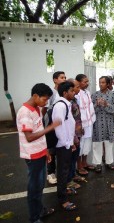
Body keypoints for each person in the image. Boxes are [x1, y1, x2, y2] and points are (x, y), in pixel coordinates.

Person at [17, 83, 60, 223]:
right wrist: (50, 128)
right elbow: (29, 137)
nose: (46, 102)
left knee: (40, 185)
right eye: (44, 99)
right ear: (35, 96)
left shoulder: (36, 108)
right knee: (34, 188)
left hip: (40, 153)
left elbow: (39, 132)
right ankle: (34, 218)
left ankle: (40, 210)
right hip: (32, 156)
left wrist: (46, 150)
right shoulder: (25, 112)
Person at [52, 81, 77, 211]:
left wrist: (71, 142)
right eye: (72, 91)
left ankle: (64, 190)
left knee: (65, 169)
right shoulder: (60, 106)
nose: (74, 93)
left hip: (67, 143)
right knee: (62, 171)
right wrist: (67, 143)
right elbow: (58, 127)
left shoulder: (66, 104)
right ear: (64, 93)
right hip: (62, 145)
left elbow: (68, 125)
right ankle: (63, 200)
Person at [91, 76, 114, 173]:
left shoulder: (113, 94)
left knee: (109, 143)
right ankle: (98, 164)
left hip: (109, 123)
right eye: (100, 82)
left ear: (108, 84)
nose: (101, 84)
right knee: (97, 144)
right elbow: (91, 110)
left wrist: (106, 105)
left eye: (103, 82)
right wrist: (97, 104)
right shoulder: (94, 95)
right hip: (97, 123)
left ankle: (109, 162)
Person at [45, 71, 66, 185]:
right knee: (52, 149)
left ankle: (61, 173)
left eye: (65, 77)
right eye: (61, 77)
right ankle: (50, 173)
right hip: (52, 125)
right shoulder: (52, 93)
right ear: (55, 80)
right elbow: (46, 110)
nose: (64, 79)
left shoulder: (63, 92)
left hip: (62, 125)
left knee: (61, 148)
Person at [75, 74, 96, 175]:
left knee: (87, 143)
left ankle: (84, 163)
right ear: (78, 82)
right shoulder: (76, 95)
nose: (87, 83)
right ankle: (79, 166)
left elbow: (89, 107)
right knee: (81, 144)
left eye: (87, 81)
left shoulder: (87, 92)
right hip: (81, 125)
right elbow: (76, 111)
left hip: (89, 123)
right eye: (85, 82)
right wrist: (79, 126)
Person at [66, 79, 84, 190]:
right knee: (69, 158)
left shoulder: (75, 100)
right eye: (76, 87)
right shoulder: (66, 103)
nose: (78, 89)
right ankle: (68, 181)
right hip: (71, 135)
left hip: (77, 133)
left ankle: (73, 175)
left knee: (74, 156)